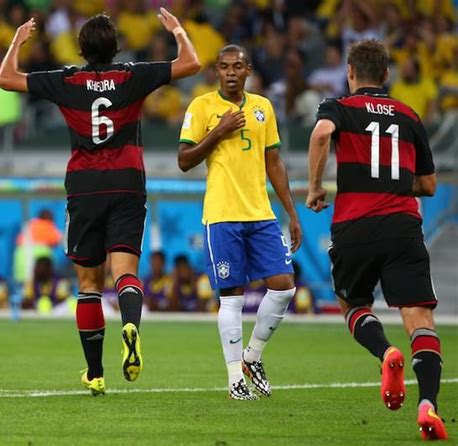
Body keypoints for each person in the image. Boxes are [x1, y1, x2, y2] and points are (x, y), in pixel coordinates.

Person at [0, 9, 200, 396]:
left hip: (85, 186)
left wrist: (17, 41)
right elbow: (190, 63)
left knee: (89, 284)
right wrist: (176, 29)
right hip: (126, 182)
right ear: (116, 48)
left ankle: (95, 373)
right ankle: (131, 326)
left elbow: (6, 79)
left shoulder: (66, 80)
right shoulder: (133, 75)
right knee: (124, 273)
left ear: (81, 49)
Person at [306, 39, 448, 440]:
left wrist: (315, 187)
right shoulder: (409, 115)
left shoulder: (337, 107)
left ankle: (386, 353)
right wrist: (395, 180)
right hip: (402, 225)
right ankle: (428, 406)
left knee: (352, 302)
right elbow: (430, 185)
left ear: (350, 73)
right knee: (419, 318)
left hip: (355, 224)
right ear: (386, 75)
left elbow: (320, 136)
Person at [178, 44, 302, 400]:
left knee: (283, 287)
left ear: (248, 70)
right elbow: (184, 160)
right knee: (231, 298)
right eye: (224, 67)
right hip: (221, 215)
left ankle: (253, 356)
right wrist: (220, 130)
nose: (231, 72)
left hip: (261, 213)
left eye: (237, 66)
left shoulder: (263, 107)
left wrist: (291, 213)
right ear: (216, 70)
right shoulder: (202, 107)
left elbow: (274, 163)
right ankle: (235, 379)